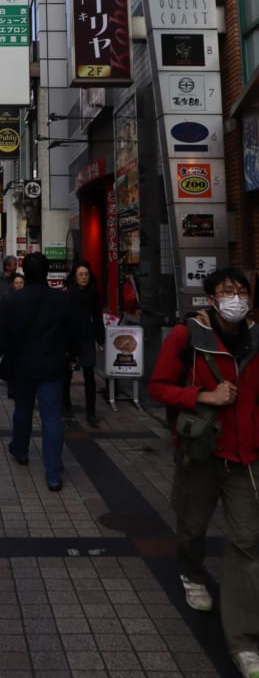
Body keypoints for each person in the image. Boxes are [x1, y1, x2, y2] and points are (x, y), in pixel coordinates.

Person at [148, 267, 259, 678]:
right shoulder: (188, 336)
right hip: (202, 451)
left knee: (247, 544)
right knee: (193, 525)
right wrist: (203, 395)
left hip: (246, 457)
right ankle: (192, 572)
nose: (235, 297)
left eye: (241, 291)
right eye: (226, 291)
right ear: (210, 299)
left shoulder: (257, 338)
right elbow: (157, 387)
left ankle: (245, 642)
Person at [0, 252, 72, 492]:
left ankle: (20, 450)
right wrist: (71, 355)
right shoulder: (61, 300)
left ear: (25, 272)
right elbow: (73, 332)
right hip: (52, 366)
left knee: (23, 410)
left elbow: (0, 337)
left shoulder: (14, 301)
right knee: (52, 417)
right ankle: (53, 474)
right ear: (48, 272)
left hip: (22, 366)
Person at [63, 260, 105, 426]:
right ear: (74, 276)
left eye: (86, 274)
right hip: (69, 338)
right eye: (80, 274)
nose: (84, 277)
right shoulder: (67, 294)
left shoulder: (93, 294)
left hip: (87, 338)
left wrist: (100, 338)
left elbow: (98, 317)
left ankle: (91, 413)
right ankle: (65, 405)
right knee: (66, 375)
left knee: (89, 375)